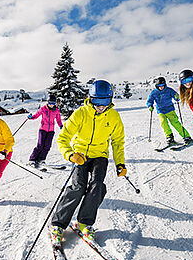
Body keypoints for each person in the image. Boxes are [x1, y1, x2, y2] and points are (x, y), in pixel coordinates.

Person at [50, 79, 126, 246]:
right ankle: (57, 224)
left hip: (100, 155)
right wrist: (70, 155)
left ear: (110, 100)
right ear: (90, 99)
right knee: (78, 187)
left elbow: (118, 142)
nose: (101, 106)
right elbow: (63, 138)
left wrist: (120, 163)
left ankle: (84, 222)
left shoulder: (113, 116)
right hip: (80, 154)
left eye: (105, 101)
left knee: (97, 186)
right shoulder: (81, 113)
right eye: (96, 101)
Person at [147, 76, 192, 146]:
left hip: (170, 110)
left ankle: (186, 136)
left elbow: (175, 95)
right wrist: (150, 105)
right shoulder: (154, 92)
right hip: (161, 111)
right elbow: (150, 100)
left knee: (175, 123)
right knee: (163, 123)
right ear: (156, 86)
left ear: (165, 84)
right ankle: (169, 137)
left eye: (162, 85)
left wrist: (176, 97)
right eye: (159, 86)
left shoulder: (169, 90)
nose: (161, 87)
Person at [27, 94, 63, 168]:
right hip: (43, 129)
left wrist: (61, 125)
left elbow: (58, 119)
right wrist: (31, 117)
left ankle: (41, 159)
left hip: (51, 130)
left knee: (47, 146)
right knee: (40, 145)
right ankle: (32, 159)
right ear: (47, 102)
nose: (51, 105)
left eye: (53, 103)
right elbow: (36, 115)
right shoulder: (43, 109)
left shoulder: (56, 110)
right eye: (50, 103)